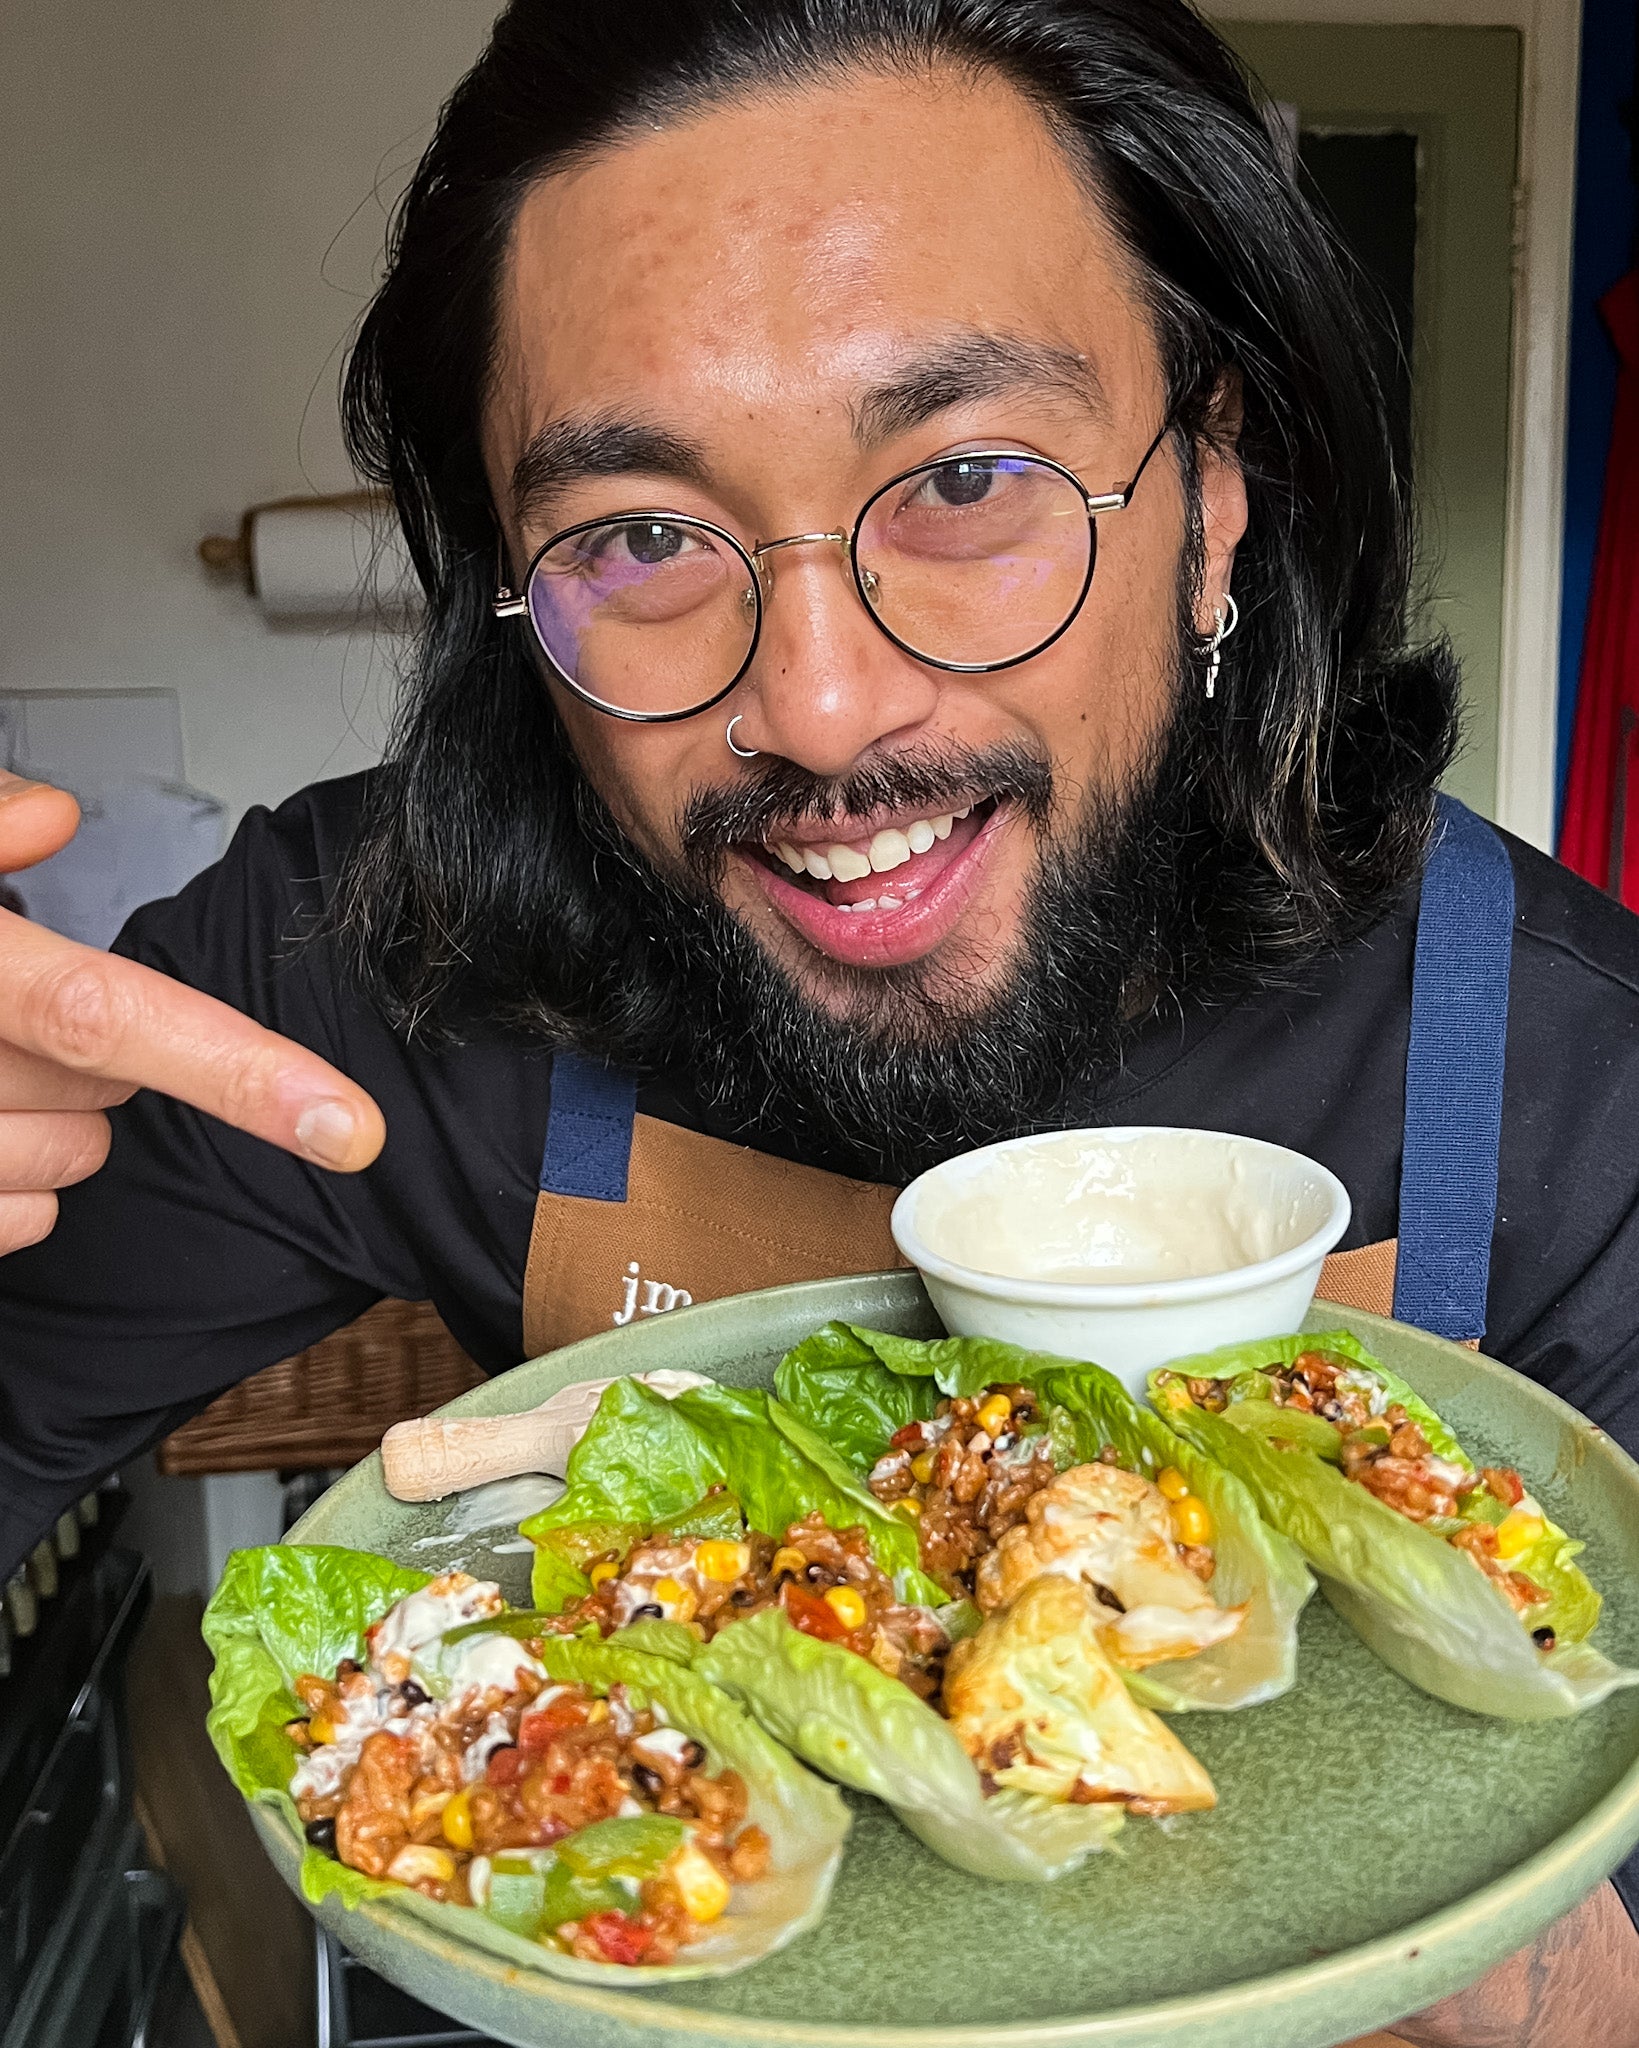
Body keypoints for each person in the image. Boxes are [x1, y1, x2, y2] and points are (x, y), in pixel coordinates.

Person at [2, 4, 1637, 2039]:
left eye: (963, 478)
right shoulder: (355, 963)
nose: (822, 708)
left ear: (1214, 489)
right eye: (638, 540)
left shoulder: (1572, 1071)